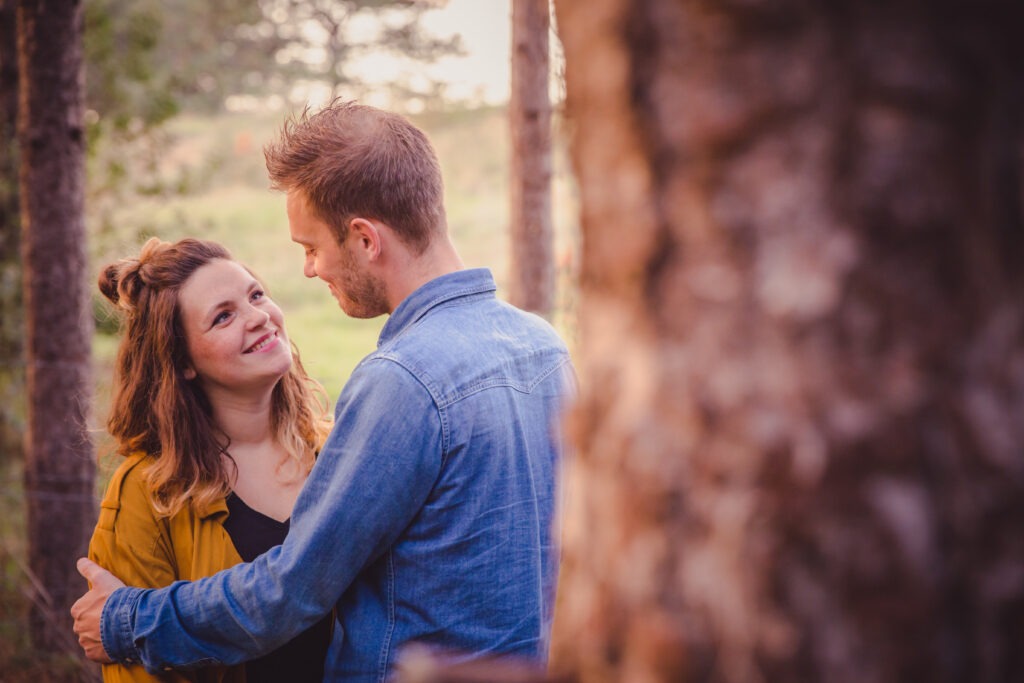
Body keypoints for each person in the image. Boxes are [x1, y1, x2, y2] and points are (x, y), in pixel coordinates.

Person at [72, 100, 576, 682]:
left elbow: (291, 590)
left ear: (364, 239)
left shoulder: (402, 381)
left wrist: (127, 619)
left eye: (311, 247)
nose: (310, 270)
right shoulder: (544, 346)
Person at [87, 237, 334, 682]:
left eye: (256, 295)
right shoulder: (149, 491)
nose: (259, 317)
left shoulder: (338, 453)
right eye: (224, 316)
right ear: (182, 362)